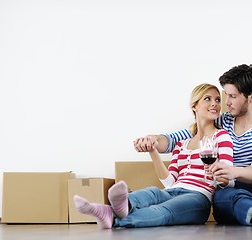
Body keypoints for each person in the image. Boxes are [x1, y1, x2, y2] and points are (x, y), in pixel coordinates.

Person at [134, 64, 252, 226]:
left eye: (232, 96)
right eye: (225, 96)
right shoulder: (221, 121)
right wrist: (151, 139)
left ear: (251, 97)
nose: (225, 103)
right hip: (234, 191)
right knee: (220, 197)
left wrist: (233, 170)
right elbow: (175, 139)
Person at [73, 83, 234, 229]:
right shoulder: (182, 143)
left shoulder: (221, 137)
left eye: (218, 100)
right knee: (152, 192)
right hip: (172, 190)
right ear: (195, 106)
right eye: (208, 99)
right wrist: (153, 151)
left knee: (161, 211)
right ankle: (123, 204)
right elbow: (170, 181)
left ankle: (110, 216)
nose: (215, 104)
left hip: (198, 196)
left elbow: (228, 180)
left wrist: (215, 172)